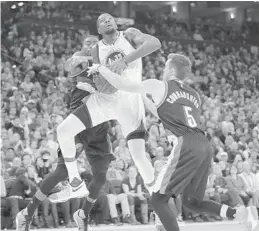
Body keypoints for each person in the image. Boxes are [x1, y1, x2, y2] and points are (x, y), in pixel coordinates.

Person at [87, 53, 259, 231]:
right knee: (193, 202)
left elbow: (124, 85)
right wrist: (144, 99)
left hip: (186, 144)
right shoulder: (195, 95)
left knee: (157, 199)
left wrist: (100, 68)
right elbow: (164, 113)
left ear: (170, 69)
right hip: (204, 145)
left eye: (164, 67)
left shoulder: (159, 85)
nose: (162, 70)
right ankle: (241, 214)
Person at [52, 12, 161, 230]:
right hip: (107, 99)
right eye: (102, 21)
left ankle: (161, 210)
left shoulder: (129, 35)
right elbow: (83, 72)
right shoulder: (95, 49)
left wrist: (125, 60)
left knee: (139, 156)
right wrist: (87, 72)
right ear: (98, 30)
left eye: (109, 18)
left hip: (131, 100)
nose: (107, 20)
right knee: (63, 130)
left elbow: (155, 43)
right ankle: (75, 181)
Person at [15, 35, 114, 231]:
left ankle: (82, 215)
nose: (91, 46)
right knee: (61, 172)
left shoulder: (106, 64)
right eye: (88, 43)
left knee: (101, 177)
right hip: (78, 124)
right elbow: (71, 65)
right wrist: (93, 59)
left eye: (95, 44)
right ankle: (27, 213)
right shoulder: (79, 58)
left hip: (100, 127)